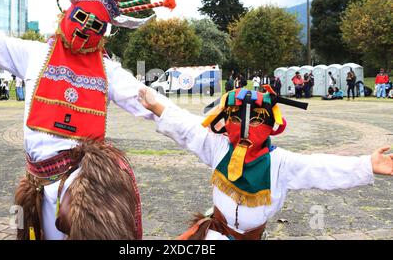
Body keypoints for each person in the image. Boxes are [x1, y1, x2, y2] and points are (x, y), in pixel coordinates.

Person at [0, 0, 177, 240]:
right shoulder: (33, 54)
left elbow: (150, 102)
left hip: (80, 185)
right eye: (81, 17)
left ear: (105, 32)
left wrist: (204, 128)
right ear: (67, 11)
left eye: (96, 25)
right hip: (35, 183)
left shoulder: (108, 71)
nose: (85, 28)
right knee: (25, 230)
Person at [138, 86, 393, 240]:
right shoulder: (218, 147)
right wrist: (158, 106)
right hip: (214, 234)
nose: (247, 127)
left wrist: (366, 165)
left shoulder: (281, 163)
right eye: (236, 118)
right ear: (225, 121)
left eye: (258, 120)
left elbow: (319, 168)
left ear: (271, 125)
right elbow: (189, 128)